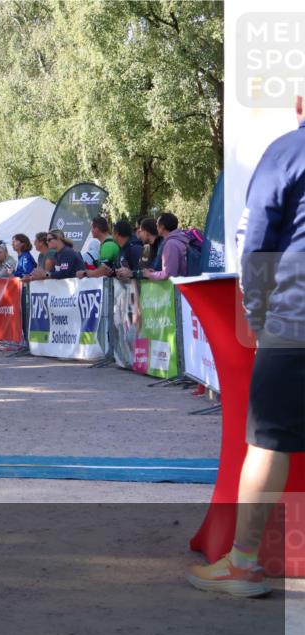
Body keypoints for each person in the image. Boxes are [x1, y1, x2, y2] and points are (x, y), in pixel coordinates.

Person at [188, 95, 305, 598]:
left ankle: (243, 565)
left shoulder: (286, 152)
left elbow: (255, 241)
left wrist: (256, 315)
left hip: (294, 321)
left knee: (267, 443)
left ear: (301, 104)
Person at [141, 213, 189, 280]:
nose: (156, 227)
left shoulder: (171, 244)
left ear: (162, 227)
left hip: (177, 288)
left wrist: (150, 275)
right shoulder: (178, 239)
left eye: (157, 225)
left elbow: (169, 274)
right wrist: (155, 273)